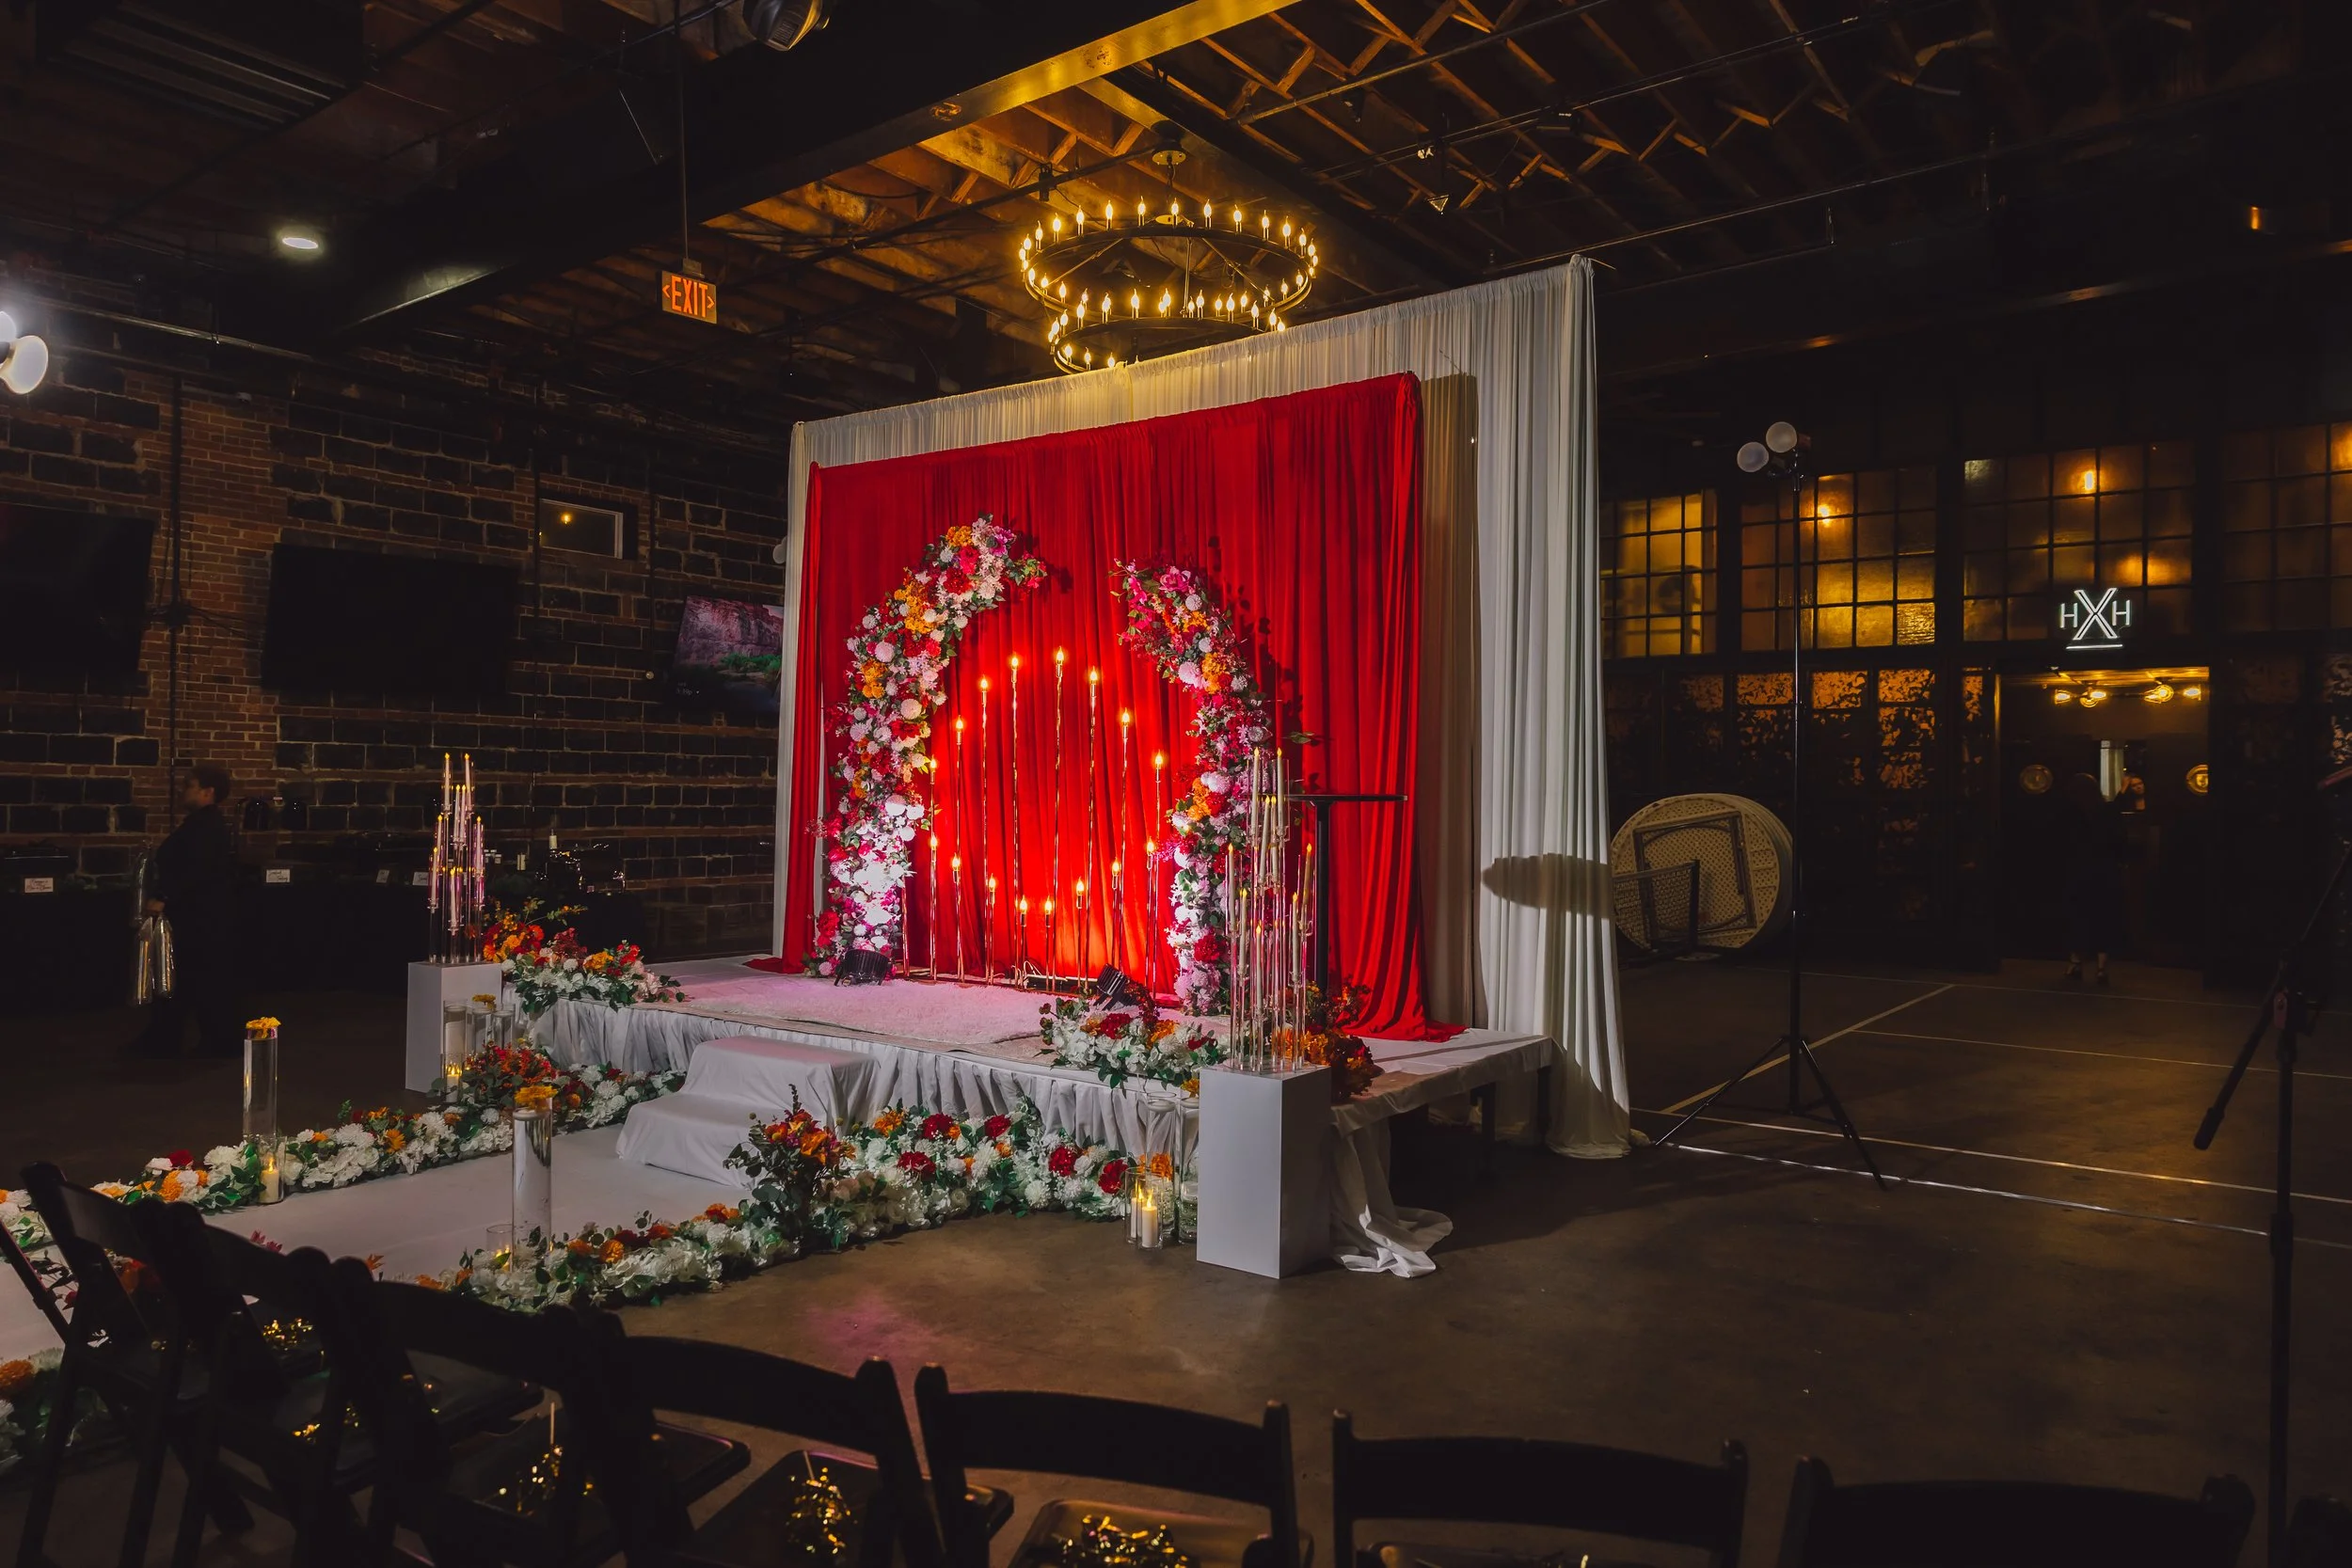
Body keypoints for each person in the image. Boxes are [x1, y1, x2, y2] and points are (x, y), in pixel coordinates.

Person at [133, 765, 243, 1057]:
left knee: (196, 980)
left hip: (200, 918)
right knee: (190, 981)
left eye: (189, 785)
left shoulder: (206, 827)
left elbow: (195, 869)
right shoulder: (202, 825)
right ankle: (171, 1039)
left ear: (207, 792)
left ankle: (190, 1041)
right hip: (198, 916)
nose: (184, 790)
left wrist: (164, 896)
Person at [2059, 770, 2128, 985]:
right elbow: (2119, 841)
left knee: (2077, 917)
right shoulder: (2107, 812)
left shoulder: (2069, 815)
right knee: (2103, 919)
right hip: (2104, 871)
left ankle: (2076, 963)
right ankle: (2101, 968)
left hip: (2077, 872)